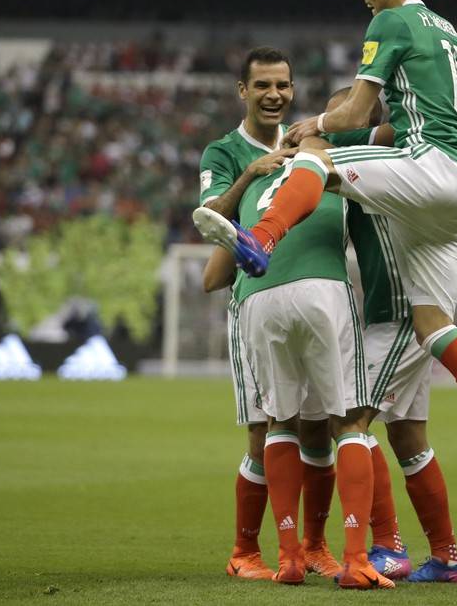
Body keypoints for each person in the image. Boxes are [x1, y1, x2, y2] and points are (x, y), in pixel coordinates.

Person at [192, 0, 457, 504]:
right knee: (433, 324)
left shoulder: (390, 22)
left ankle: (261, 238)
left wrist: (313, 125)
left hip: (425, 165)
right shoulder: (452, 35)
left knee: (315, 160)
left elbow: (354, 110)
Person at [197, 141, 395, 590]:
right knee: (349, 423)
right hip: (322, 289)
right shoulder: (336, 170)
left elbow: (212, 276)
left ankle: (289, 558)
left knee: (279, 422)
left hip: (257, 295)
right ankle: (356, 560)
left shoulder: (259, 180)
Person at [197, 47, 340, 581]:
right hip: (257, 302)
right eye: (262, 85)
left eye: (282, 85)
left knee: (319, 426)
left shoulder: (308, 142)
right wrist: (247, 176)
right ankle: (244, 552)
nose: (274, 94)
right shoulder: (224, 151)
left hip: (313, 294)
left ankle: (315, 546)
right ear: (243, 91)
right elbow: (207, 217)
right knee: (265, 430)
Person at [324, 88, 457, 582]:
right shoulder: (389, 163)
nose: (331, 127)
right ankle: (447, 557)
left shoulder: (379, 159)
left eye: (340, 118)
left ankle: (387, 546)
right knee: (408, 437)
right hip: (406, 308)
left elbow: (318, 156)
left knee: (349, 420)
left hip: (400, 312)